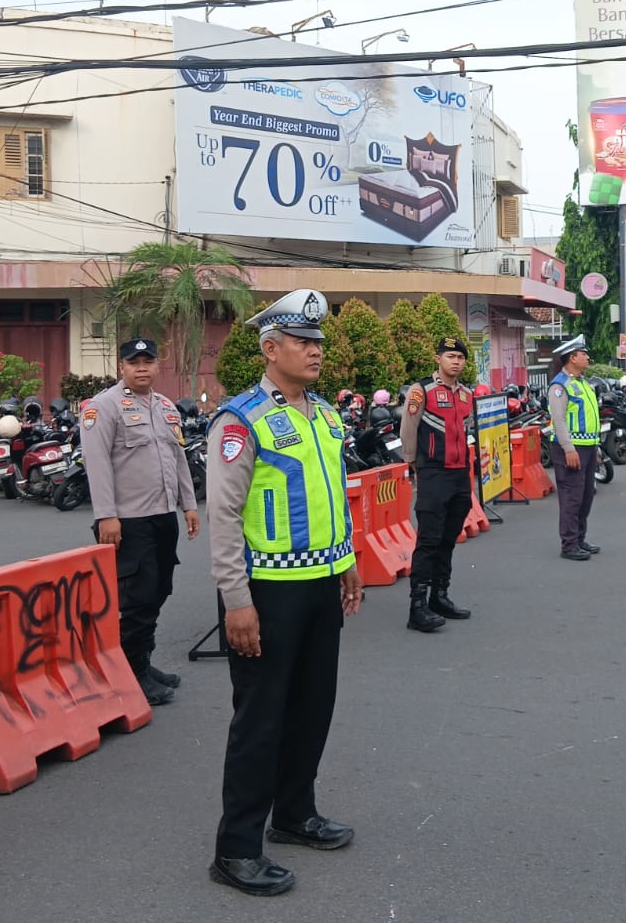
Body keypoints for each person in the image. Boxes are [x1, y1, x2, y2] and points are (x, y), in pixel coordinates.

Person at [205, 289, 361, 898]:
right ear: (271, 350)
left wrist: (346, 562)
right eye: (303, 341)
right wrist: (234, 599)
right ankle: (236, 848)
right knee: (260, 719)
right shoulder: (240, 421)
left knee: (313, 707)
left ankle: (295, 814)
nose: (316, 351)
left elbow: (333, 495)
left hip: (321, 584)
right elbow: (222, 516)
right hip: (266, 592)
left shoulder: (324, 414)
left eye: (318, 341)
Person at [81, 337, 201, 707]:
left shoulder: (166, 407)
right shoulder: (103, 407)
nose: (142, 368)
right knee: (137, 597)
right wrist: (106, 515)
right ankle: (131, 672)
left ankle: (142, 663)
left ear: (157, 366)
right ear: (122, 367)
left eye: (148, 361)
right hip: (128, 521)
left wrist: (189, 504)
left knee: (159, 591)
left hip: (163, 515)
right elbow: (97, 463)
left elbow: (178, 458)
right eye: (134, 362)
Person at [399, 337, 476, 633]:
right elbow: (409, 427)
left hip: (459, 475)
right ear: (438, 359)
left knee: (448, 538)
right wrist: (412, 462)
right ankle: (417, 607)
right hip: (433, 472)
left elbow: (465, 430)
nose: (455, 361)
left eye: (460, 357)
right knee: (429, 539)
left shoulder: (467, 395)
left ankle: (439, 597)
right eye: (450, 356)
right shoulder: (423, 391)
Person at [547, 334, 602, 561]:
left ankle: (579, 538)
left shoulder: (582, 382)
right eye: (583, 354)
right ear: (572, 357)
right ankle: (569, 544)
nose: (587, 357)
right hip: (570, 449)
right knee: (572, 497)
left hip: (588, 446)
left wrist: (596, 446)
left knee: (586, 495)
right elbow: (558, 420)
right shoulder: (560, 386)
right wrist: (569, 449)